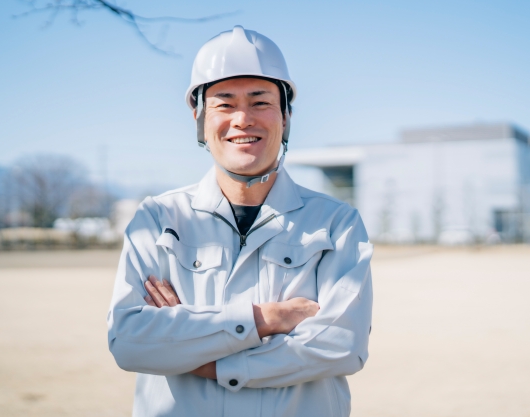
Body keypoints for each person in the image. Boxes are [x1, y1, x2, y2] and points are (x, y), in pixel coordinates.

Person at [107, 25, 373, 417]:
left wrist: (205, 360)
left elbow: (340, 344)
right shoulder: (159, 218)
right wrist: (267, 319)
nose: (242, 119)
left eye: (260, 102)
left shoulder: (336, 223)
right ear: (198, 117)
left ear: (286, 115)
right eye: (224, 103)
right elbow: (130, 341)